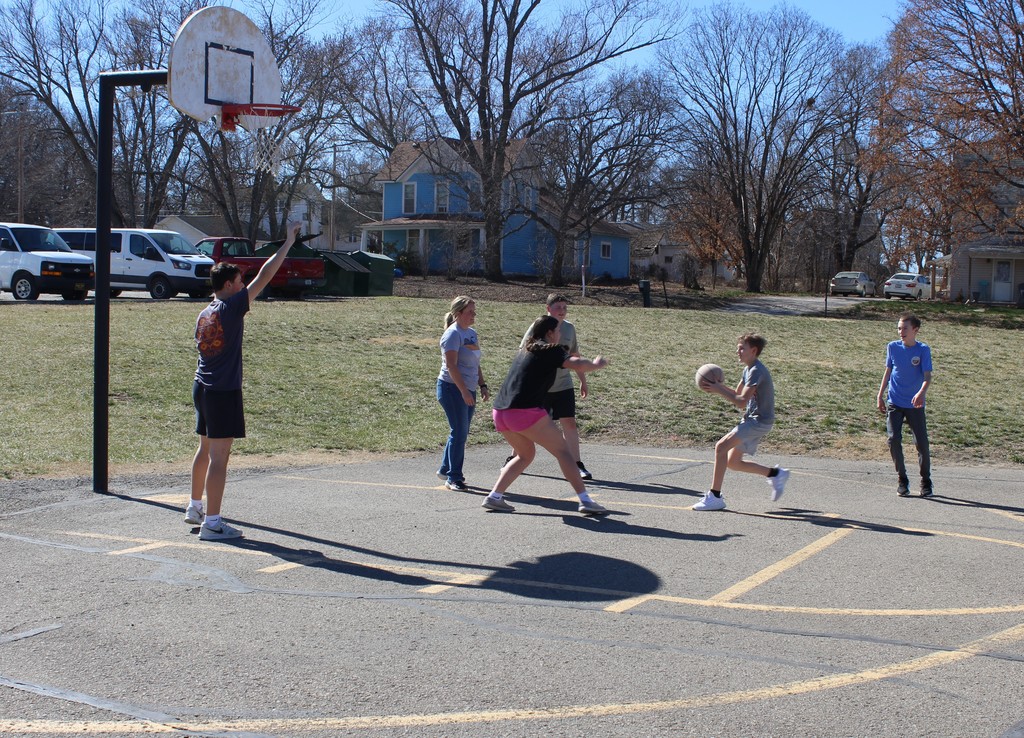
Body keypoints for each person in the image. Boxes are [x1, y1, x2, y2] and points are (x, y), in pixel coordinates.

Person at [185, 222, 302, 541]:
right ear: (227, 285)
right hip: (222, 392)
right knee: (220, 458)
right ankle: (212, 523)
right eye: (239, 281)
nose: (243, 285)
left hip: (202, 386)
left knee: (204, 450)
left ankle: (195, 507)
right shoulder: (231, 307)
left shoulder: (205, 311)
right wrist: (288, 243)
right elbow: (266, 274)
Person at [482, 315, 609, 514]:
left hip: (500, 412)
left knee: (525, 455)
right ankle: (585, 500)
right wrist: (596, 364)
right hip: (524, 411)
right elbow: (577, 363)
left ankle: (494, 497)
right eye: (558, 331)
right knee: (564, 452)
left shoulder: (527, 350)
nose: (560, 334)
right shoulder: (550, 349)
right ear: (549, 333)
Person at [693, 333, 789, 511]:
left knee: (721, 447)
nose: (738, 351)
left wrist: (718, 388)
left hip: (759, 422)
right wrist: (717, 387)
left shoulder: (756, 371)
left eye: (742, 348)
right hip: (753, 420)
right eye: (738, 347)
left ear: (753, 351)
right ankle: (775, 474)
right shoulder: (748, 369)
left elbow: (741, 401)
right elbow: (737, 394)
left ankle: (715, 496)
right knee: (733, 463)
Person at [503, 294, 594, 479]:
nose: (562, 310)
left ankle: (577, 464)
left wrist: (582, 380)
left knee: (569, 422)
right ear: (548, 309)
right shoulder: (540, 326)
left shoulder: (569, 329)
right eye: (557, 307)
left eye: (564, 307)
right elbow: (524, 351)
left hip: (563, 385)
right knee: (529, 425)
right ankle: (513, 459)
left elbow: (575, 355)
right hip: (541, 387)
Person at [436, 296, 490, 492]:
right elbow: (451, 366)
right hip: (452, 389)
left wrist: (482, 385)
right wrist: (464, 392)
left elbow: (475, 363)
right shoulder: (452, 335)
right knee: (459, 433)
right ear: (458, 314)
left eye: (474, 311)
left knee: (460, 432)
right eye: (470, 312)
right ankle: (453, 478)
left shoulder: (472, 334)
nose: (474, 315)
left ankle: (445, 468)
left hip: (468, 388)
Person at [877, 313, 933, 497]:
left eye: (905, 328)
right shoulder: (892, 347)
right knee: (893, 440)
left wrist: (920, 393)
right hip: (894, 402)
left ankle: (925, 480)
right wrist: (880, 395)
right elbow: (888, 372)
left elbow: (927, 377)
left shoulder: (923, 350)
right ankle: (902, 479)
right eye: (899, 328)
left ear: (915, 330)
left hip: (915, 404)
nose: (901, 332)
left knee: (921, 444)